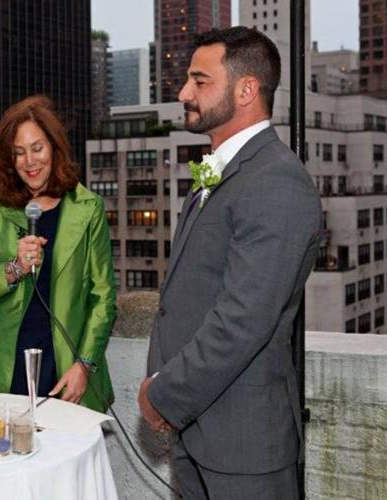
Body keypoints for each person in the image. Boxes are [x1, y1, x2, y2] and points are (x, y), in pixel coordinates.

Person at [138, 27, 322, 499]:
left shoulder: (277, 180)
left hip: (244, 449)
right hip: (198, 436)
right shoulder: (222, 170)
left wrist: (164, 392)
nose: (183, 93)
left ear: (246, 90)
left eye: (200, 81)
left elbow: (243, 320)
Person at [0, 95, 116, 412]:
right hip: (2, 364)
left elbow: (103, 296)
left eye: (37, 148)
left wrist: (84, 364)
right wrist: (13, 268)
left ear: (54, 147)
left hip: (64, 366)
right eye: (19, 153)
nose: (30, 162)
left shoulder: (88, 207)